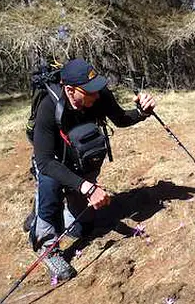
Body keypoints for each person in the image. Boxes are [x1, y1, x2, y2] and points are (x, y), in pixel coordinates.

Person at [28, 58, 156, 280]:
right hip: (54, 162)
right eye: (89, 91)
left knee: (81, 229)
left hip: (81, 162)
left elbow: (121, 119)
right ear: (69, 90)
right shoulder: (48, 108)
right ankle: (47, 247)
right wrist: (87, 188)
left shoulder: (99, 95)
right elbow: (45, 162)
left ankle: (42, 213)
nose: (96, 95)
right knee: (50, 182)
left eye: (97, 89)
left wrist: (142, 112)